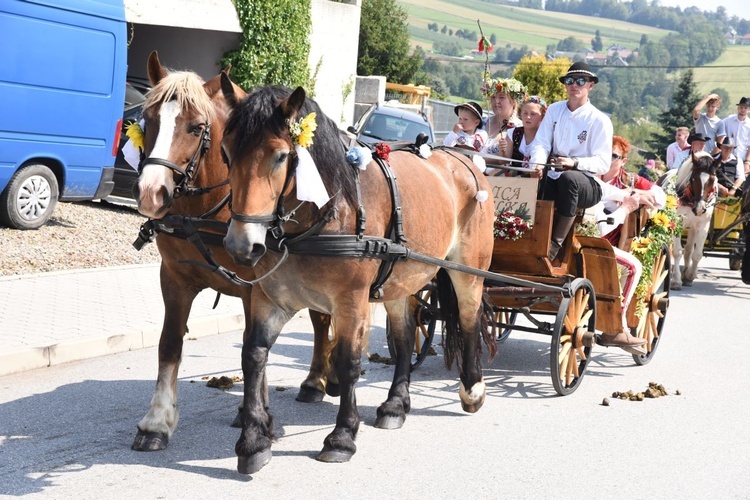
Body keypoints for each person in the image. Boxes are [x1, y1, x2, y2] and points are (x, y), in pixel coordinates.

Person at [529, 61, 612, 260]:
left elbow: (603, 163)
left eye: (581, 81)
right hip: (554, 174)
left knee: (569, 179)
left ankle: (553, 247)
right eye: (570, 80)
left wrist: (574, 162)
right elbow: (541, 143)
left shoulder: (599, 120)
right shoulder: (555, 110)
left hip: (587, 184)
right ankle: (527, 238)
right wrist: (537, 164)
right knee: (535, 181)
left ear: (590, 85)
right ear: (565, 84)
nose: (574, 84)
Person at [480, 77, 526, 156]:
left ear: (514, 101)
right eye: (493, 97)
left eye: (502, 97)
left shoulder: (519, 128)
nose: (496, 101)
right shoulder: (481, 122)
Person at [721, 97, 750, 174]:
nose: (743, 109)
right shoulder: (728, 120)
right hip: (728, 157)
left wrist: (747, 162)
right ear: (738, 108)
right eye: (741, 107)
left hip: (742, 158)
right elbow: (718, 125)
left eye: (745, 108)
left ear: (749, 110)